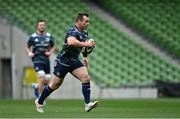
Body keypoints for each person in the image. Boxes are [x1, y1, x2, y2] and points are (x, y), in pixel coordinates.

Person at [35, 13, 98, 113]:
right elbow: (71, 42)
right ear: (79, 21)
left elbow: (83, 47)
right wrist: (87, 44)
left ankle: (87, 104)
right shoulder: (72, 31)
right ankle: (39, 101)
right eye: (86, 21)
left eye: (88, 21)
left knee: (86, 78)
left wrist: (85, 57)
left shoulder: (85, 33)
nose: (88, 23)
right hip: (62, 62)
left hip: (74, 61)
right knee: (55, 85)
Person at [25, 19, 55, 99]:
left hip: (46, 60)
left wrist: (50, 53)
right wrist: (29, 53)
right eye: (40, 25)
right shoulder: (33, 37)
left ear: (45, 26)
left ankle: (36, 86)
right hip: (37, 59)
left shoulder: (49, 36)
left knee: (47, 79)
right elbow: (27, 47)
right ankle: (40, 98)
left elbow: (53, 47)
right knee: (41, 77)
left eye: (43, 25)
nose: (42, 26)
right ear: (37, 26)